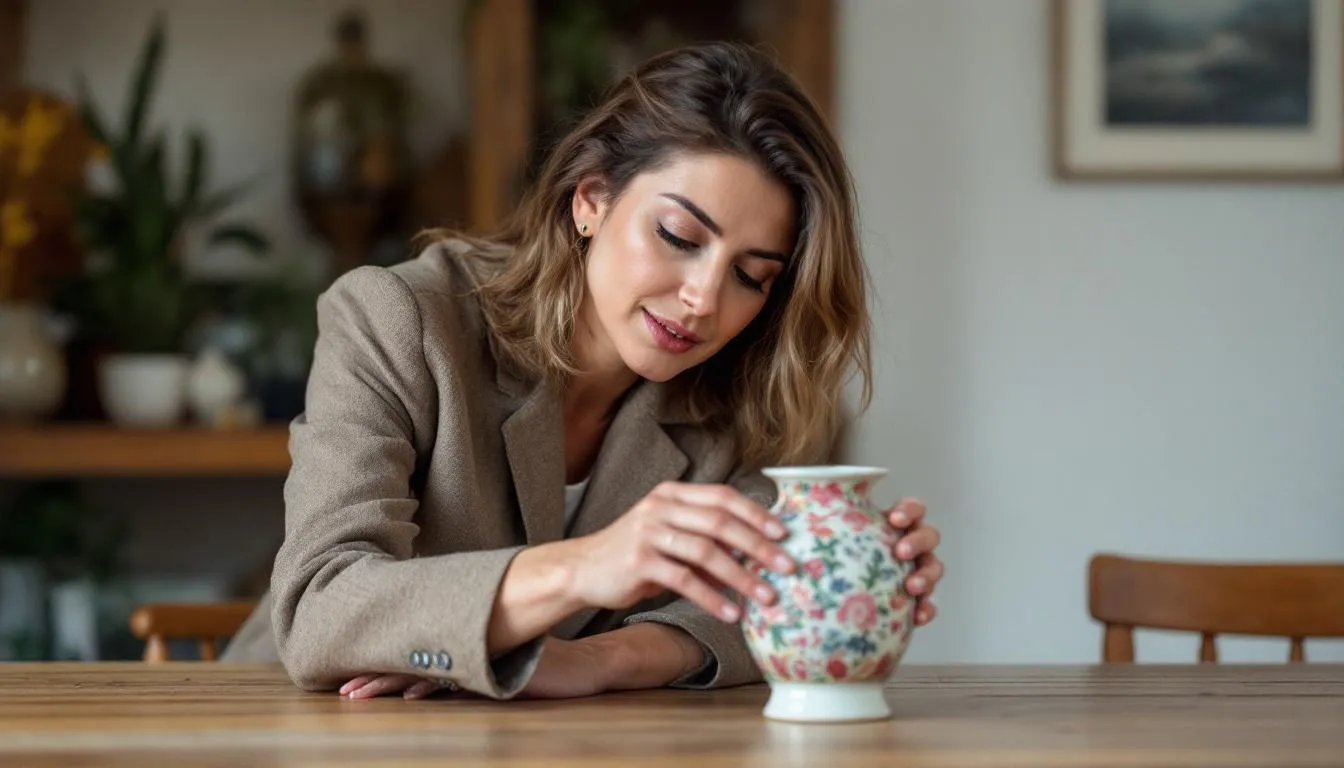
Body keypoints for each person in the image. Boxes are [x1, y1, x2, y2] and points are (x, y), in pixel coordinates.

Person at [221, 41, 944, 701]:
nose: (705, 300)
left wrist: (602, 659)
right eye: (679, 236)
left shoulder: (737, 394)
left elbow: (752, 602)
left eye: (752, 276)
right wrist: (585, 566)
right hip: (292, 730)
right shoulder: (400, 319)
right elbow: (322, 606)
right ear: (591, 199)